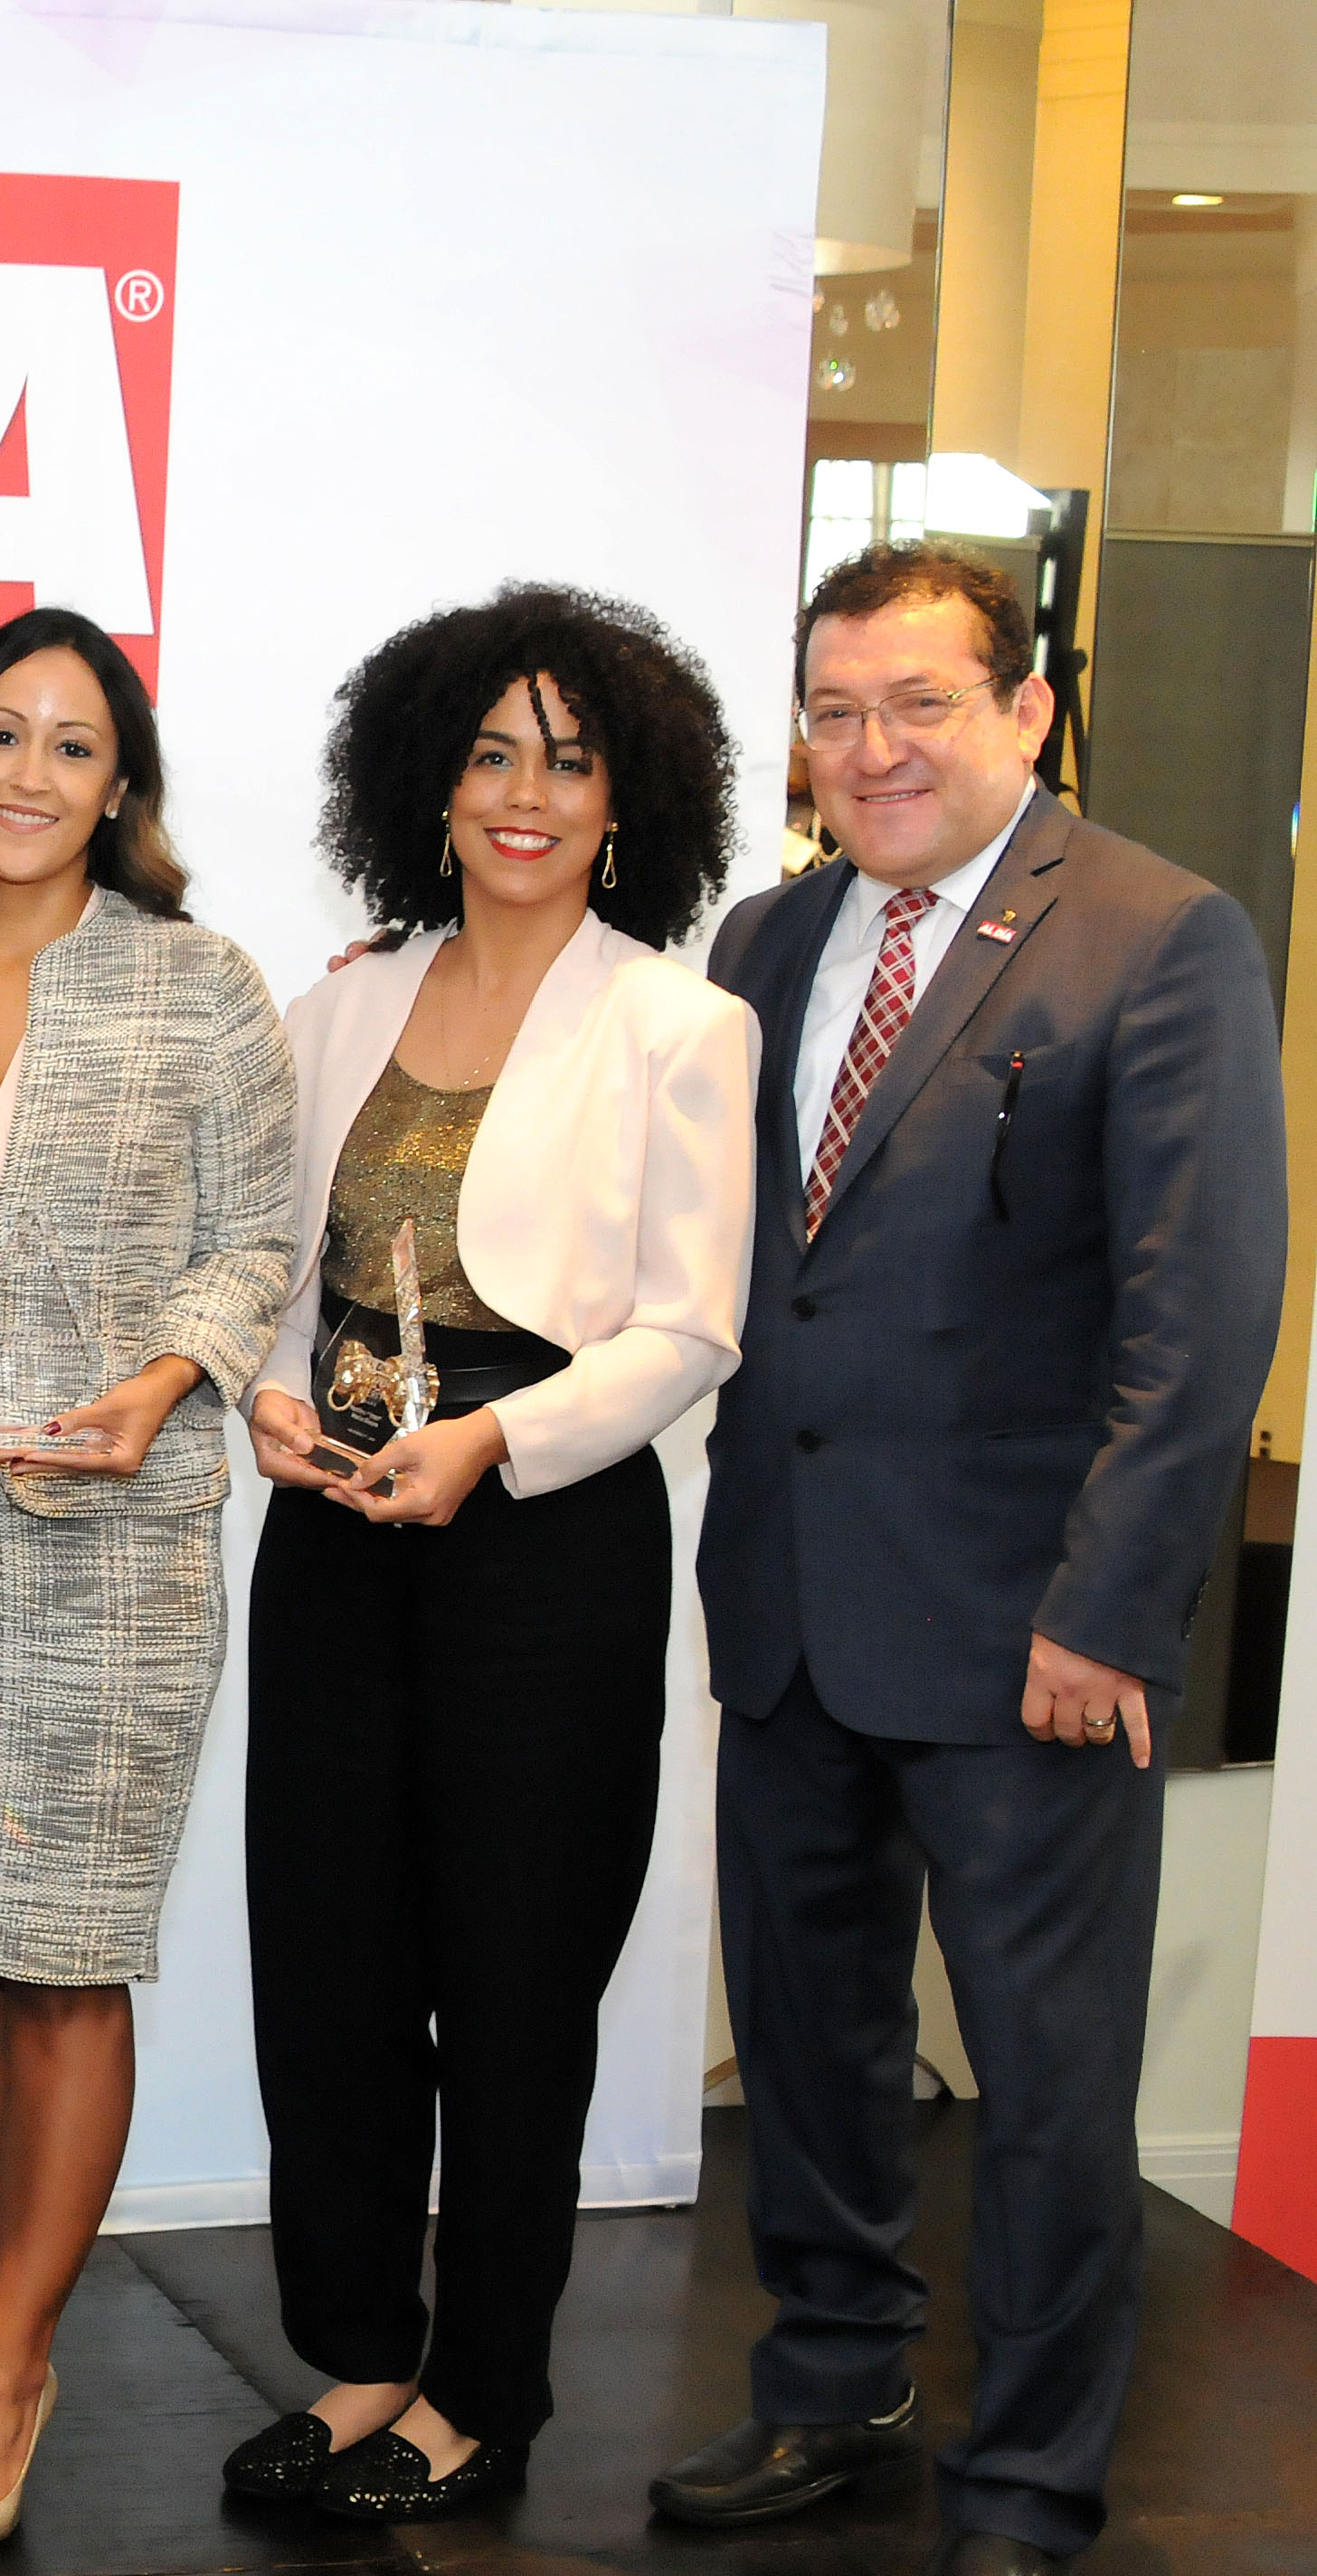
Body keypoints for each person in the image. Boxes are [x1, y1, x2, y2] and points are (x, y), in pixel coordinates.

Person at [651, 545, 1284, 2576]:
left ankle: (1024, 2477)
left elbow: (1197, 1324)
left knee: (1036, 2088)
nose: (869, 745)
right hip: (790, 1611)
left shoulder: (1155, 934)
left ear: (1022, 711)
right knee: (814, 2051)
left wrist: (1104, 1608)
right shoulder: (759, 940)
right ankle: (831, 2390)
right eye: (833, 709)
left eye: (915, 700)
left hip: (1031, 1634)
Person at [226, 585, 755, 2521]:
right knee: (330, 1967)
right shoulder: (342, 994)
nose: (521, 796)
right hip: (336, 1542)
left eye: (567, 759)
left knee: (514, 1980)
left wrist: (489, 1442)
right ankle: (361, 2355)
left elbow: (686, 1328)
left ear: (627, 799)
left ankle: (483, 2389)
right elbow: (277, 1277)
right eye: (485, 756)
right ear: (423, 784)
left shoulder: (677, 1020)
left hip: (539, 1543)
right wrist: (268, 1405)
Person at [0, 608, 298, 2552]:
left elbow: (255, 1234)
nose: (26, 772)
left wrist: (159, 1382)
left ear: (121, 783)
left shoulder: (196, 986)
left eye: (70, 746)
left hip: (115, 1529)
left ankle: (17, 2359)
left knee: (65, 1947)